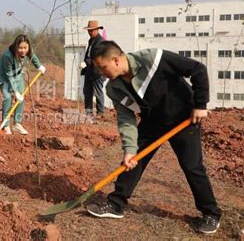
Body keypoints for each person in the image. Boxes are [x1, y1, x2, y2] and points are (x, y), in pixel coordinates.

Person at [87, 41, 222, 234]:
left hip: (184, 118)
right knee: (134, 160)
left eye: (102, 67)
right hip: (153, 121)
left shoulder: (153, 59)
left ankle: (211, 214)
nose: (101, 72)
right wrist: (129, 150)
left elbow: (197, 69)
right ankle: (116, 204)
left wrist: (200, 103)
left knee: (192, 167)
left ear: (116, 60)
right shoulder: (114, 88)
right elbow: (126, 120)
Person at [0, 34, 46, 135]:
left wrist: (39, 66)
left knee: (21, 97)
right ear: (16, 46)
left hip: (17, 74)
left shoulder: (28, 51)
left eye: (25, 47)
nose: (23, 50)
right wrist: (15, 91)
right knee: (8, 98)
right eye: (20, 48)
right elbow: (9, 75)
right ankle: (6, 125)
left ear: (28, 47)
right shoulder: (8, 56)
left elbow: (33, 57)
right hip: (4, 76)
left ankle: (17, 124)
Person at [80, 20, 105, 117]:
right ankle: (88, 112)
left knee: (98, 92)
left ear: (97, 30)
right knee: (87, 91)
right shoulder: (91, 41)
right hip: (89, 71)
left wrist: (86, 63)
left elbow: (96, 56)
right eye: (88, 31)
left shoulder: (100, 42)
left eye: (91, 30)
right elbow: (89, 54)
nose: (89, 32)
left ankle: (100, 112)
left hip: (98, 72)